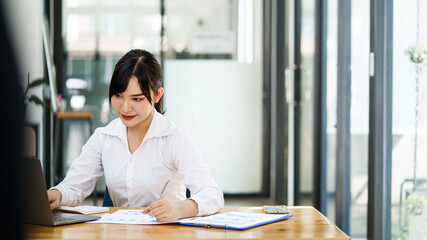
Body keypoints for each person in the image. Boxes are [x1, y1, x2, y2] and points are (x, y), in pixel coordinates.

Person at [47, 49, 224, 222]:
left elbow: (213, 195)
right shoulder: (104, 137)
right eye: (118, 96)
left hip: (166, 234)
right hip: (119, 233)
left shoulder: (174, 138)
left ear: (157, 95)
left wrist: (179, 208)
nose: (125, 108)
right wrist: (56, 194)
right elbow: (73, 186)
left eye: (137, 99)